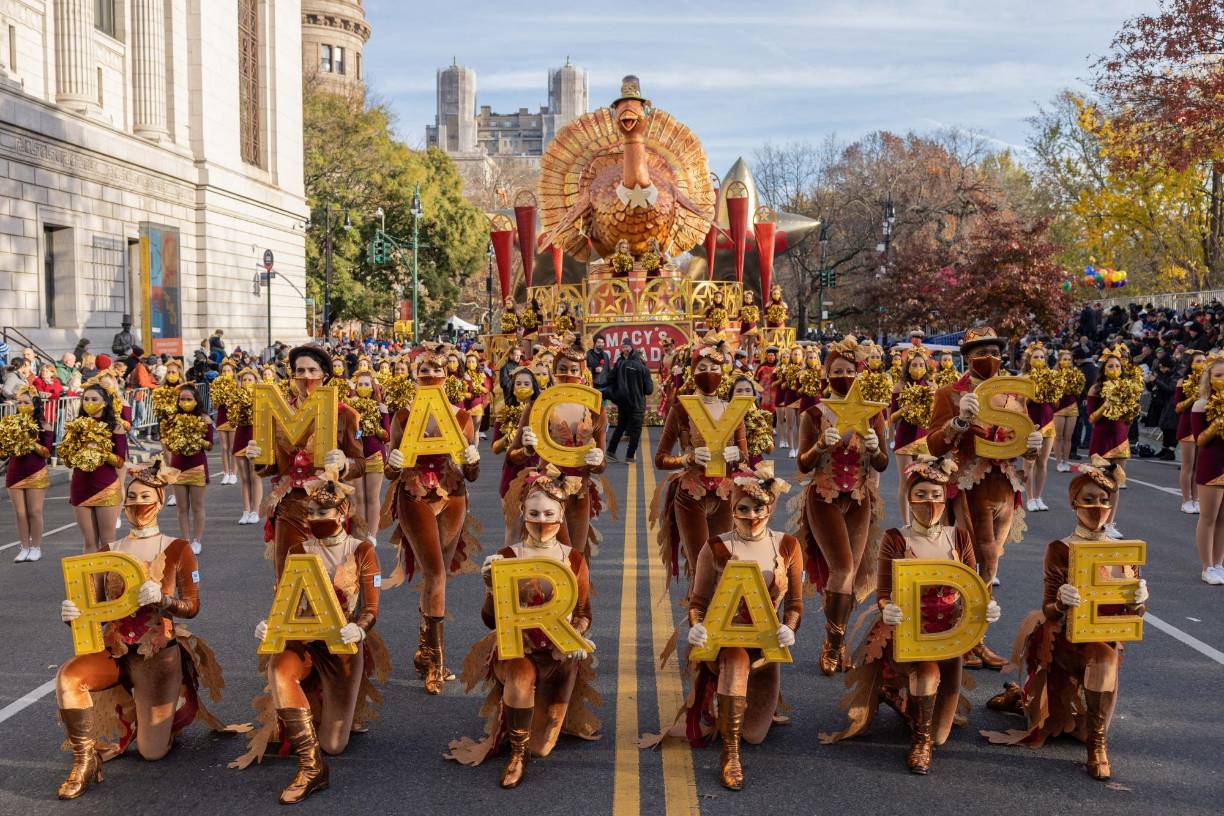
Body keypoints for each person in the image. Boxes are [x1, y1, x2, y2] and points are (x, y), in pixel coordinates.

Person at [54, 459, 234, 799]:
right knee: (68, 676)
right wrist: (73, 613)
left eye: (145, 496)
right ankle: (84, 761)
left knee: (152, 753)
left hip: (157, 656)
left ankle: (164, 714)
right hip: (115, 652)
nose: (138, 503)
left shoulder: (178, 548)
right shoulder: (110, 550)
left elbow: (193, 607)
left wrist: (165, 601)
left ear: (161, 499)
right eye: (132, 497)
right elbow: (94, 611)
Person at [821, 455, 1002, 774]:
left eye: (935, 494)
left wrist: (985, 608)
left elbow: (974, 584)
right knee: (926, 676)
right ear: (909, 498)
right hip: (910, 631)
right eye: (921, 495)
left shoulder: (958, 537)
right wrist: (886, 609)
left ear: (945, 498)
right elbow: (883, 592)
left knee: (943, 733)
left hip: (949, 634)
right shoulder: (896, 538)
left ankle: (911, 709)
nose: (928, 502)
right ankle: (919, 743)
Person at [982, 457, 1149, 781]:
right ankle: (1096, 748)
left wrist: (1140, 600)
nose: (1097, 507)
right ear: (1074, 503)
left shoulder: (1123, 551)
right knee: (1065, 707)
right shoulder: (1061, 547)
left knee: (1081, 721)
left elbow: (1131, 614)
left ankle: (1027, 699)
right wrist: (1061, 602)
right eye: (1089, 500)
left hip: (1103, 639)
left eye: (1103, 500)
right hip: (1065, 641)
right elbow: (1047, 608)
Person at [236, 465, 388, 804]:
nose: (317, 517)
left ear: (343, 511)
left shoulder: (362, 550)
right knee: (278, 668)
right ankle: (310, 766)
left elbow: (371, 609)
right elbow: (285, 600)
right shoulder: (298, 550)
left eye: (324, 511)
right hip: (303, 641)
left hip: (342, 645)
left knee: (335, 744)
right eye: (312, 512)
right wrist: (270, 624)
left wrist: (359, 628)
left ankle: (325, 718)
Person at [643, 463, 800, 790]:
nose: (752, 515)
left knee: (755, 734)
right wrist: (697, 626)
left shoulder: (787, 545)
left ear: (770, 507)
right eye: (743, 508)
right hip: (726, 644)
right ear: (732, 508)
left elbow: (795, 603)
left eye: (759, 507)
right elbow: (698, 601)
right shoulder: (715, 546)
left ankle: (737, 708)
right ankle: (730, 756)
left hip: (765, 647)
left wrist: (790, 627)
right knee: (734, 660)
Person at [445, 466, 600, 788]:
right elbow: (491, 620)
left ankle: (533, 734)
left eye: (548, 513)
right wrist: (490, 587)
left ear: (560, 515)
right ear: (522, 513)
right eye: (534, 513)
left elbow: (585, 611)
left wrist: (578, 635)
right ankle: (517, 755)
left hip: (557, 655)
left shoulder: (573, 560)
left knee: (542, 748)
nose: (541, 520)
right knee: (519, 677)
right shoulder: (505, 557)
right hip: (519, 650)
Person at [925, 326, 1043, 669]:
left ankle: (976, 638)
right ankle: (961, 637)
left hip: (1003, 486)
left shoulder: (1013, 394)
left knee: (991, 564)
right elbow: (933, 444)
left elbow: (1022, 440)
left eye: (993, 352)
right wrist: (960, 422)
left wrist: (1033, 451)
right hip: (966, 486)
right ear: (966, 357)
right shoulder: (950, 393)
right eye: (979, 353)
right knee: (967, 562)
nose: (988, 359)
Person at [382, 343, 481, 695]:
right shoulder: (404, 415)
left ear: (446, 375)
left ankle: (425, 650)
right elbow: (391, 468)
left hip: (453, 494)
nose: (430, 376)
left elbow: (471, 473)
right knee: (435, 572)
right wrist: (391, 465)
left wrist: (472, 458)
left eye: (437, 371)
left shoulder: (463, 417)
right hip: (414, 493)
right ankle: (437, 662)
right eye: (423, 371)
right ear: (415, 376)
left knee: (438, 575)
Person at [793, 336, 889, 674]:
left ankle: (838, 641)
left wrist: (876, 448)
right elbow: (803, 465)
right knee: (843, 569)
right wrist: (820, 445)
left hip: (860, 499)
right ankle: (833, 645)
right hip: (824, 497)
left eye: (850, 370)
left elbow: (882, 464)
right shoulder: (814, 414)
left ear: (859, 373)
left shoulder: (874, 413)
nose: (844, 376)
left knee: (850, 574)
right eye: (837, 370)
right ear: (826, 373)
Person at [243, 344, 367, 575]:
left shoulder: (345, 414)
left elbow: (360, 464)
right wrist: (258, 459)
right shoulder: (277, 413)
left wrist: (344, 464)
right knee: (289, 580)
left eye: (312, 370)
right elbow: (271, 468)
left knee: (333, 582)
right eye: (299, 371)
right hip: (289, 506)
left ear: (325, 376)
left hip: (329, 507)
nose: (305, 377)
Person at [651, 337, 747, 590]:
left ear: (723, 371)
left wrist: (736, 454)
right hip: (691, 494)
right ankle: (700, 624)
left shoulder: (733, 410)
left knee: (725, 563)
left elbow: (745, 458)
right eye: (702, 368)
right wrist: (687, 458)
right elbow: (660, 458)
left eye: (714, 368)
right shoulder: (681, 409)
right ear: (693, 372)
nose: (709, 373)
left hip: (725, 494)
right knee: (701, 565)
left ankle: (720, 623)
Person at [512, 334, 611, 558]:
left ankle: (578, 593)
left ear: (583, 373)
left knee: (576, 555)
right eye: (563, 369)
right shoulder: (538, 407)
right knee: (551, 554)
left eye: (574, 370)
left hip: (581, 489)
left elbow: (602, 463)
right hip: (546, 488)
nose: (568, 374)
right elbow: (512, 455)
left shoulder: (595, 410)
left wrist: (597, 461)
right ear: (554, 372)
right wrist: (527, 449)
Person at [61, 383, 127, 555]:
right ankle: (93, 582)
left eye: (94, 399)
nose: (89, 402)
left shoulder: (115, 427)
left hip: (105, 487)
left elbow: (120, 462)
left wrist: (99, 450)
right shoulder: (75, 426)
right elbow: (67, 460)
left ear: (104, 402)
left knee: (107, 541)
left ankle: (108, 581)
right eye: (86, 399)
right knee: (89, 542)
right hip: (81, 487)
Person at [1085, 345, 1140, 539]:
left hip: (1120, 439)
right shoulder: (1095, 389)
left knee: (1116, 484)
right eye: (1110, 366)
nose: (1114, 369)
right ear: (1103, 369)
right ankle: (1094, 522)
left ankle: (1109, 523)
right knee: (1098, 485)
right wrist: (1105, 406)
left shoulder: (1127, 388)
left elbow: (1130, 416)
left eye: (1117, 366)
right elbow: (1091, 419)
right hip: (1101, 440)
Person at [2, 385, 54, 562]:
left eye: (26, 402)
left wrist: (29, 441)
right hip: (15, 472)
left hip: (36, 472)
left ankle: (36, 547)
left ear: (35, 404)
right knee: (20, 513)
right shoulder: (12, 423)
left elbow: (47, 452)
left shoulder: (43, 424)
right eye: (20, 402)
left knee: (35, 511)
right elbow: (4, 451)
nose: (22, 405)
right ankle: (23, 547)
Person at [161, 383, 212, 554]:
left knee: (197, 506)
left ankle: (197, 540)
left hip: (197, 466)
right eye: (182, 399)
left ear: (196, 401)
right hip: (177, 468)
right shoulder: (173, 419)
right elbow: (167, 442)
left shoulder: (204, 419)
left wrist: (196, 439)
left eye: (189, 399)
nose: (185, 402)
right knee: (181, 507)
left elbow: (210, 445)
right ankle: (185, 540)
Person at [1191, 356, 1224, 584]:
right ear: (1210, 380)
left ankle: (1219, 563)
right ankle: (1206, 566)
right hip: (1212, 464)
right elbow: (1200, 440)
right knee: (1209, 517)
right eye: (1219, 375)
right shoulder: (1201, 405)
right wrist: (1218, 422)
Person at [1021, 342, 1057, 512]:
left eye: (1042, 357)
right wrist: (1033, 392)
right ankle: (1029, 498)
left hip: (1048, 422)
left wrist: (1050, 391)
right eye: (1036, 357)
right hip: (1031, 424)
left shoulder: (1051, 377)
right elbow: (1021, 403)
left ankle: (1038, 496)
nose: (1039, 359)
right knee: (1029, 463)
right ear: (1029, 359)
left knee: (1043, 463)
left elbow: (1056, 402)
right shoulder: (1023, 378)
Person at [606, 343, 654, 463]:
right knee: (636, 430)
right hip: (637, 404)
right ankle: (630, 456)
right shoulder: (644, 369)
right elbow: (649, 390)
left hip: (624, 402)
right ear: (641, 358)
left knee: (620, 426)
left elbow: (611, 378)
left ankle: (610, 452)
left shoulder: (622, 364)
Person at [1175, 352, 1207, 513]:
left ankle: (1196, 499)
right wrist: (1193, 398)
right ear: (1191, 364)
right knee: (1187, 465)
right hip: (1187, 425)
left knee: (1198, 466)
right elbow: (1178, 407)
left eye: (1204, 361)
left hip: (1203, 426)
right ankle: (1186, 500)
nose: (1202, 363)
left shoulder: (1209, 383)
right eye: (1198, 361)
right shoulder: (1183, 381)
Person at [1052, 348, 1085, 473]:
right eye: (1064, 359)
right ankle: (1059, 462)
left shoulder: (1077, 374)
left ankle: (1066, 461)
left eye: (1069, 360)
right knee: (1058, 437)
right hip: (1058, 407)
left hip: (1072, 406)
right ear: (1059, 361)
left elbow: (1079, 391)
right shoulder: (1053, 374)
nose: (1067, 361)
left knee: (1068, 437)